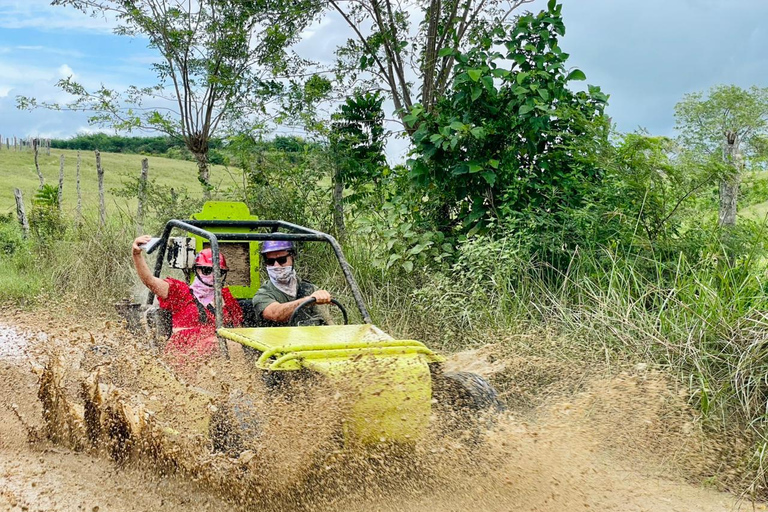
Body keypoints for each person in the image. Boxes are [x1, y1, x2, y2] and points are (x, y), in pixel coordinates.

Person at [132, 235, 243, 365]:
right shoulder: (180, 292)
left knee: (235, 347)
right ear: (197, 270)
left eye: (218, 272)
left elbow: (239, 332)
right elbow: (150, 281)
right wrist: (136, 255)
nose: (213, 276)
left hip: (222, 354)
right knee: (218, 346)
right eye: (207, 270)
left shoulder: (226, 298)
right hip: (185, 354)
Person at [252, 239, 332, 326]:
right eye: (270, 261)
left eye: (282, 260)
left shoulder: (309, 289)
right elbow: (275, 314)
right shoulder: (262, 295)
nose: (276, 265)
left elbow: (327, 322)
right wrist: (307, 300)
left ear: (292, 258)